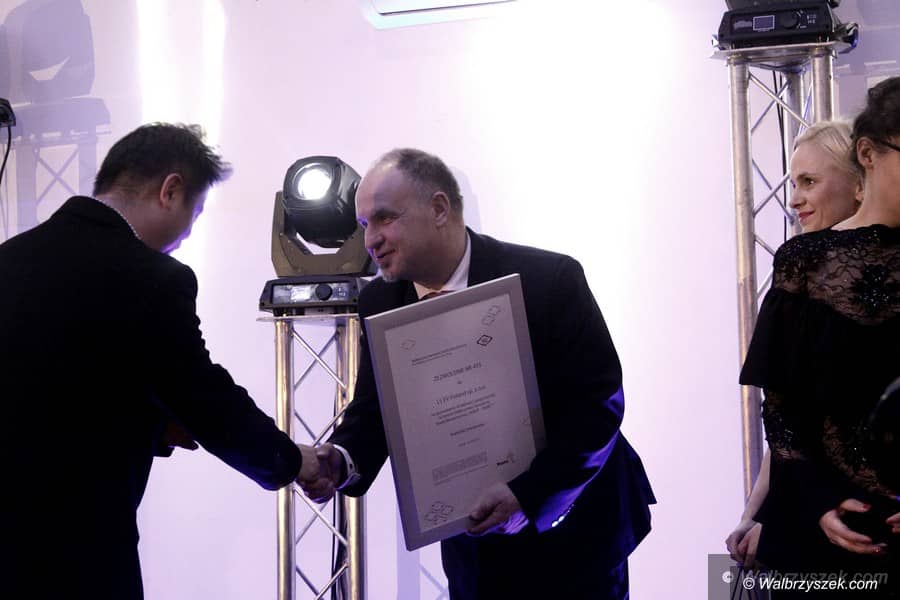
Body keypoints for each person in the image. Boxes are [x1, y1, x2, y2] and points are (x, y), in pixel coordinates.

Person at [299, 148, 655, 599]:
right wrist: (341, 459)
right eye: (364, 224)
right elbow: (375, 411)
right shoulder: (378, 302)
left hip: (576, 533)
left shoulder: (550, 279)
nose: (371, 240)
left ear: (439, 209)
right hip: (475, 549)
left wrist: (529, 497)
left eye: (385, 218)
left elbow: (597, 405)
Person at [0, 123, 318, 599]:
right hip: (79, 557)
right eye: (195, 212)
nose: (187, 234)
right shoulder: (153, 278)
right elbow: (205, 398)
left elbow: (60, 390)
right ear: (170, 190)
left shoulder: (9, 258)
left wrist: (149, 422)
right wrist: (291, 461)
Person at [739, 77, 900, 594]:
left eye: (809, 182)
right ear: (868, 155)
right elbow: (783, 408)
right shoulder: (803, 263)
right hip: (817, 531)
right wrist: (814, 501)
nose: (795, 200)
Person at [726, 120, 863, 569]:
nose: (794, 199)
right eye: (793, 184)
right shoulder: (797, 273)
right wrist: (754, 515)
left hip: (859, 521)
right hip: (807, 519)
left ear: (859, 184)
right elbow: (787, 422)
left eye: (809, 182)